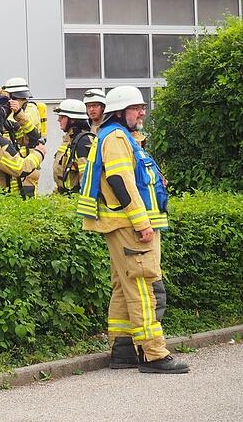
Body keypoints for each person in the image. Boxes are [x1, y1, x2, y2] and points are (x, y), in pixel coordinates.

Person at [77, 86, 188, 374]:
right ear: (121, 111)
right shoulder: (116, 137)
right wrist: (142, 223)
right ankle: (154, 354)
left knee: (123, 285)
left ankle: (124, 350)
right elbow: (120, 181)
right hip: (130, 226)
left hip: (123, 224)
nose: (142, 112)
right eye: (136, 108)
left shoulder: (120, 136)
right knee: (143, 286)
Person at [0, 77, 43, 194]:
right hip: (12, 159)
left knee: (27, 195)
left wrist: (18, 114)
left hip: (27, 160)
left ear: (13, 96)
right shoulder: (10, 109)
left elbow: (29, 132)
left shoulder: (30, 109)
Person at [52, 99, 95, 194]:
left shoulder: (83, 141)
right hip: (63, 197)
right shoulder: (70, 139)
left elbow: (86, 177)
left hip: (73, 199)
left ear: (72, 120)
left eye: (62, 117)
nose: (58, 120)